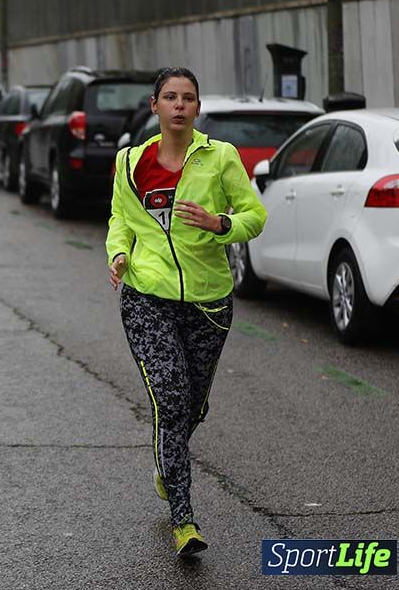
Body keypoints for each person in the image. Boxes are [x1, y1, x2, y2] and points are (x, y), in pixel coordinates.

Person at [106, 67, 267, 558]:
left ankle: (164, 460)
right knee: (171, 400)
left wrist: (220, 223)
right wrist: (118, 253)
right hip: (146, 295)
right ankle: (184, 518)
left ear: (198, 108)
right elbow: (120, 219)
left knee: (193, 406)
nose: (180, 105)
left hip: (208, 301)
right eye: (170, 97)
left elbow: (254, 217)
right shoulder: (129, 162)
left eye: (189, 98)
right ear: (154, 106)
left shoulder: (220, 158)